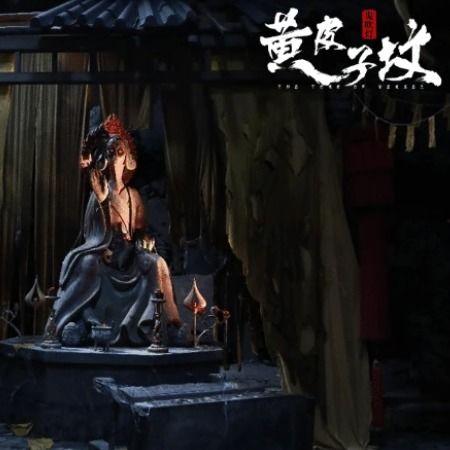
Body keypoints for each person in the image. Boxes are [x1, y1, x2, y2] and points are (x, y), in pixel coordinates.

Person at [46, 114, 181, 346]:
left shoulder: (133, 195)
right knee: (87, 263)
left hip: (129, 254)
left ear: (128, 159)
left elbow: (140, 232)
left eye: (119, 153)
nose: (114, 158)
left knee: (156, 263)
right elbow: (93, 234)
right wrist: (102, 201)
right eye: (110, 153)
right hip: (104, 252)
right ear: (104, 159)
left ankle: (163, 324)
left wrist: (143, 244)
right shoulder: (98, 192)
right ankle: (81, 321)